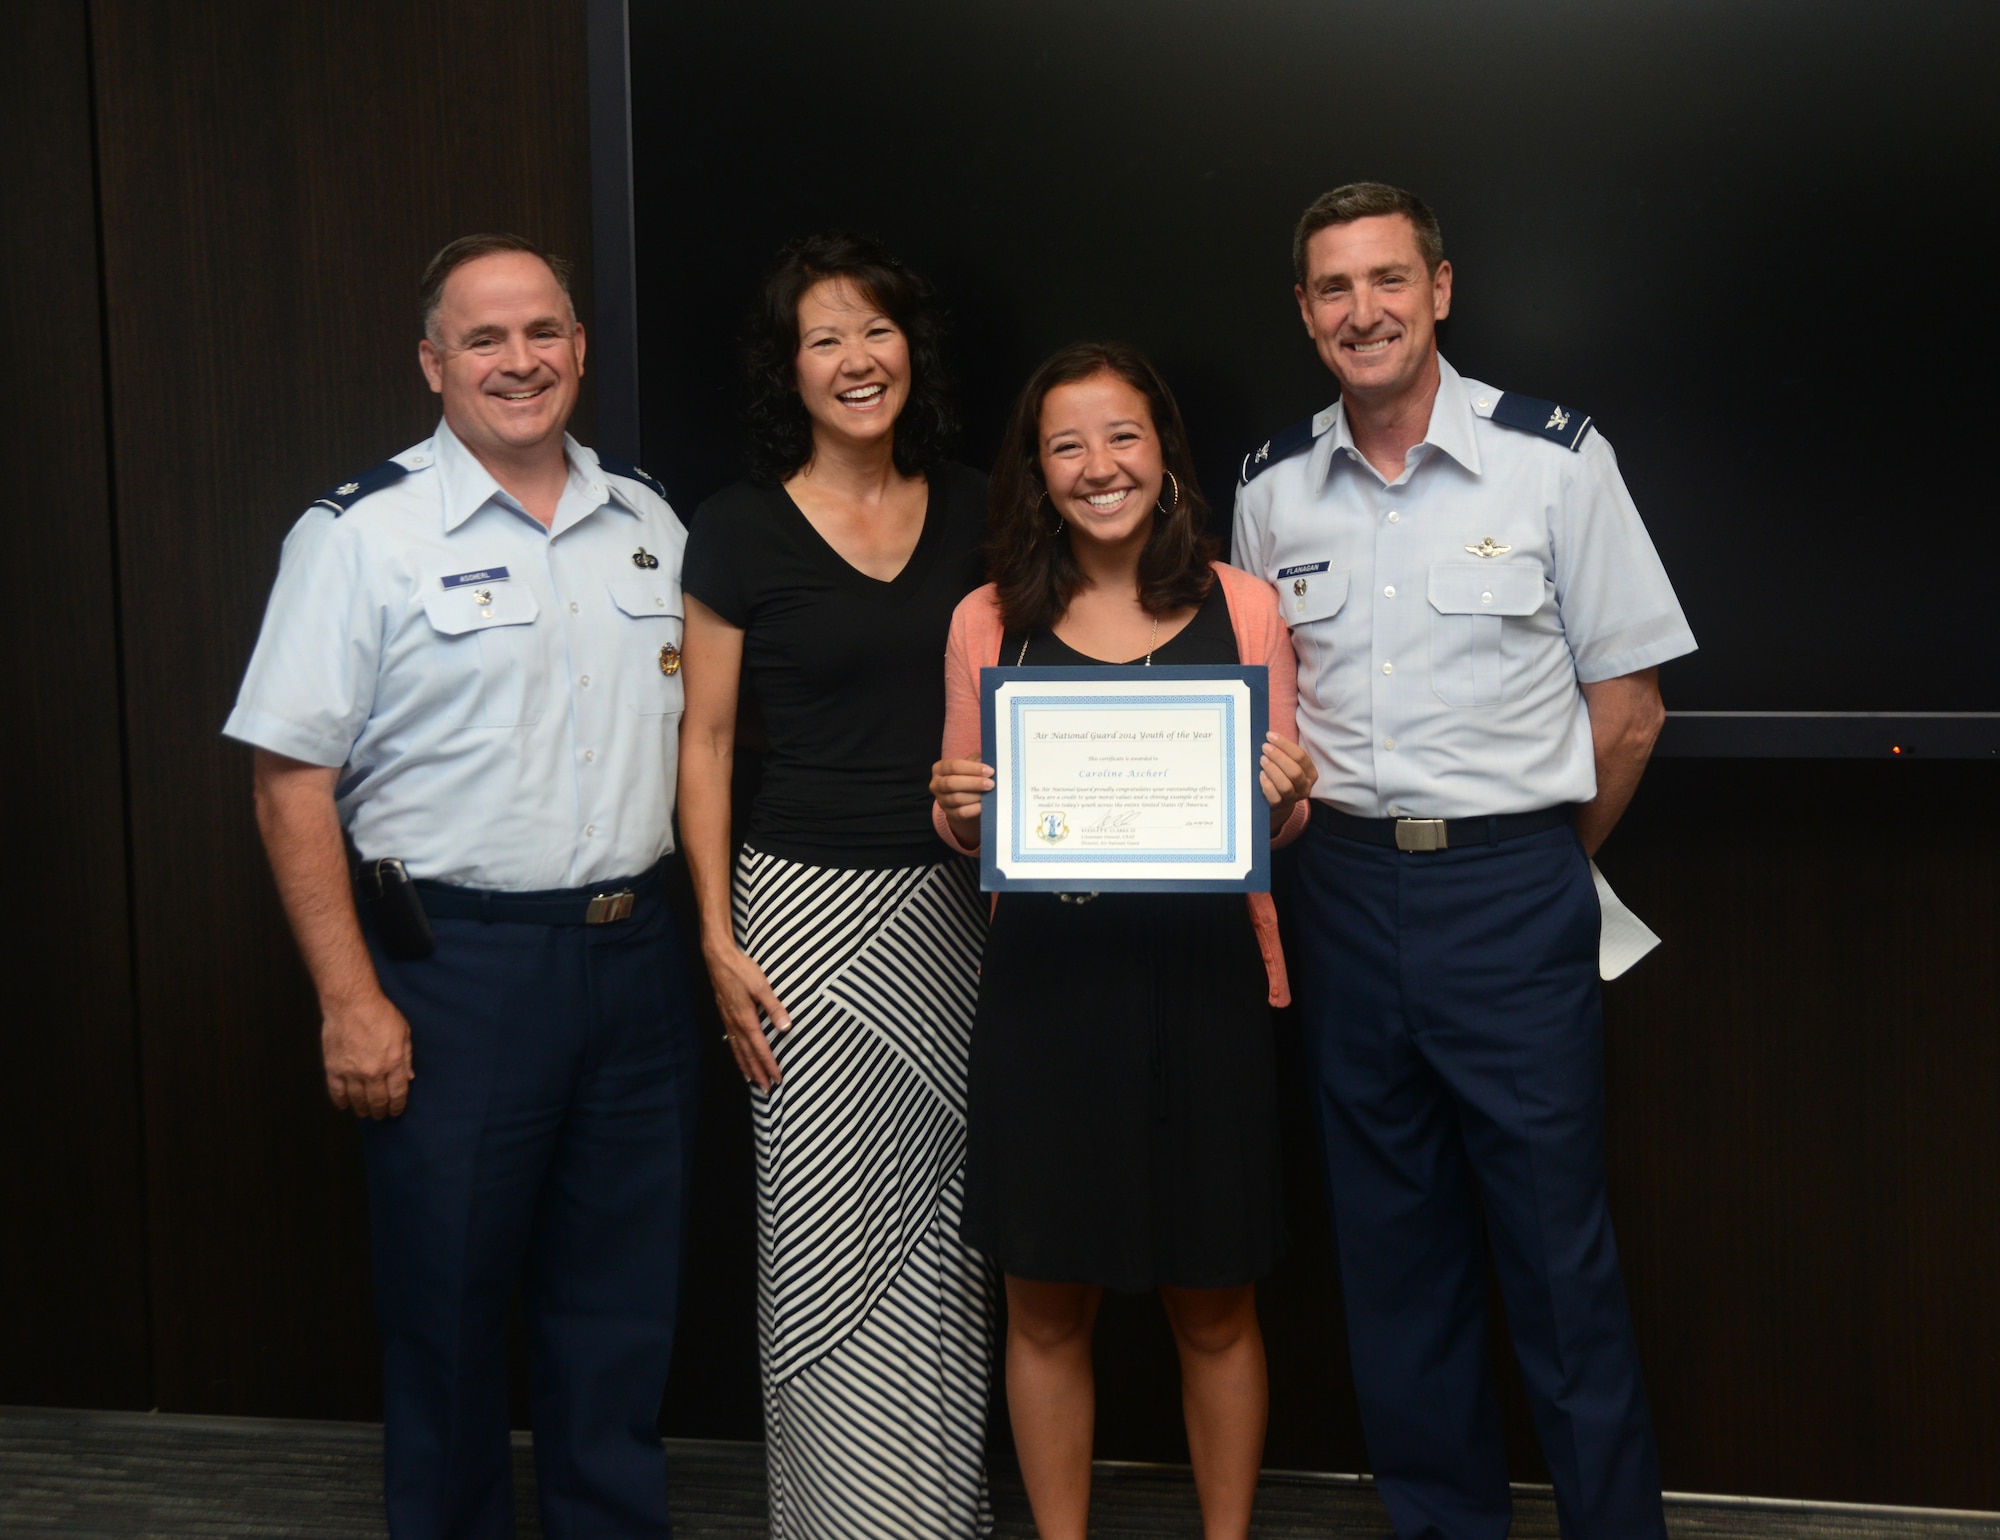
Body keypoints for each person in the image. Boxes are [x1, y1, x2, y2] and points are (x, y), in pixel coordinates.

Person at [1231, 182, 1697, 1539]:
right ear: (1306, 315)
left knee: (1561, 1264)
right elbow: (1265, 714)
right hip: (1340, 894)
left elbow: (1631, 710)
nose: (1363, 311)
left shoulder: (1553, 462)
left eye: (1388, 280)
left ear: (1441, 289)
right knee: (1394, 1262)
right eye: (1334, 289)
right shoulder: (1269, 490)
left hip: (1510, 894)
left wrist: (1539, 866)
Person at [223, 234, 702, 1539]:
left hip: (634, 963)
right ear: (432, 362)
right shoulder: (359, 538)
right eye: (484, 339)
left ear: (581, 349)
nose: (520, 361)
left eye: (543, 332)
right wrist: (347, 999)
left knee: (620, 1317)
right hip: (456, 975)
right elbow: (288, 782)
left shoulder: (650, 522)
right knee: (444, 1319)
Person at [930, 342, 1318, 1540]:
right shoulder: (986, 618)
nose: (1099, 466)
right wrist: (952, 808)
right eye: (1066, 444)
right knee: (1045, 1305)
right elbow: (961, 821)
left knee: (1214, 1304)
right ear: (1035, 472)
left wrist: (1286, 789)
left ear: (1162, 454)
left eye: (1122, 437)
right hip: (1049, 994)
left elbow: (1282, 819)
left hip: (1202, 989)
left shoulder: (1241, 603)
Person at [676, 233, 997, 1538]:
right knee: (820, 1239)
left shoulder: (986, 506)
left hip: (965, 912)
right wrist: (713, 935)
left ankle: (943, 1514)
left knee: (953, 1229)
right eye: (825, 338)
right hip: (799, 918)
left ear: (911, 350)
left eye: (876, 331)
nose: (856, 360)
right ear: (789, 370)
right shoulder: (736, 526)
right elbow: (701, 742)